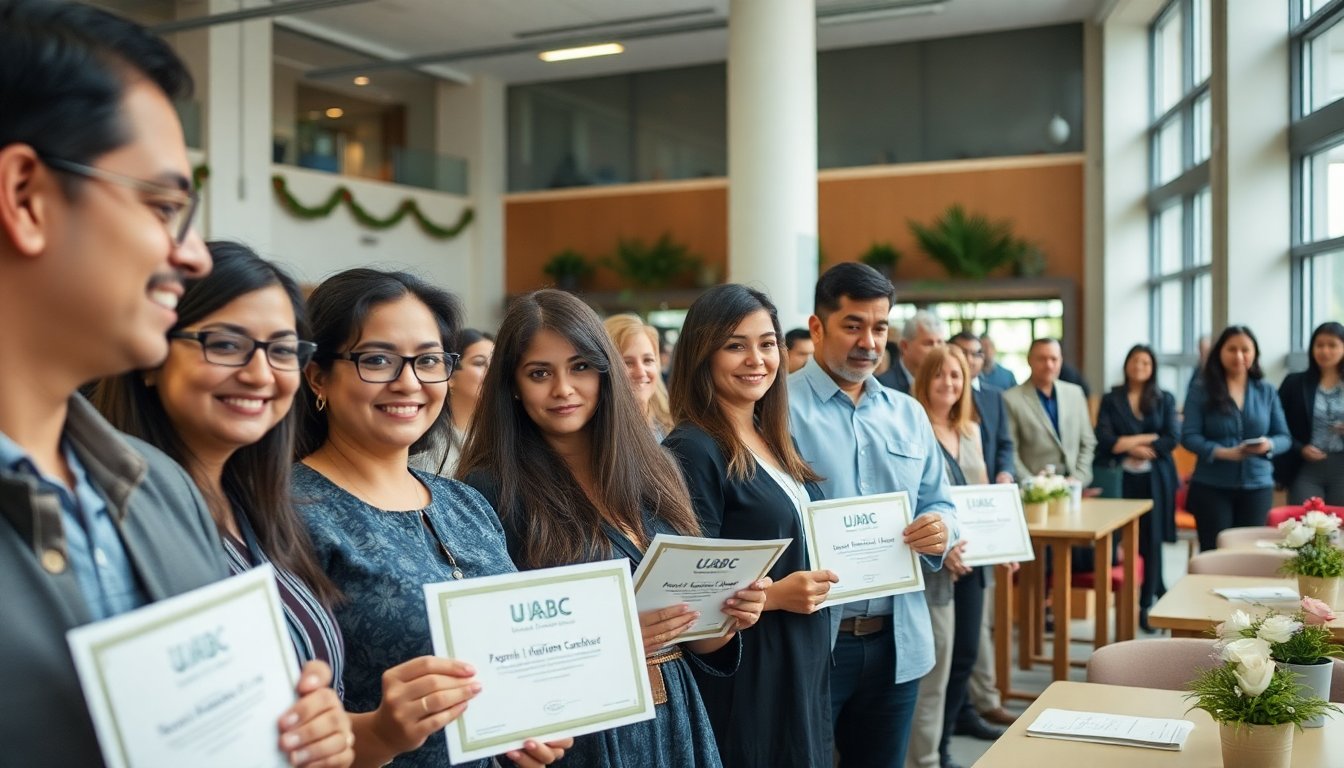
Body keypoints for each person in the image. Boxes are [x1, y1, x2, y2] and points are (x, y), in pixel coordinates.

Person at [0, 3, 340, 763]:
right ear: (25, 196)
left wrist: (286, 734)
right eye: (162, 207)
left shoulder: (159, 487)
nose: (191, 256)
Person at [458, 289, 767, 768]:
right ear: (513, 385)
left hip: (675, 716)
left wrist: (727, 614)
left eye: (581, 367)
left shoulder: (655, 468)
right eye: (540, 373)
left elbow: (699, 641)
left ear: (605, 373)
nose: (563, 389)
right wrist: (609, 639)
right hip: (580, 732)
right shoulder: (491, 489)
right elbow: (496, 648)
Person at [293, 269, 570, 768]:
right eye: (377, 360)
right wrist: (380, 732)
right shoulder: (289, 513)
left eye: (427, 361)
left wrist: (529, 725)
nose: (408, 383)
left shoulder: (465, 503)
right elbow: (282, 726)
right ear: (318, 377)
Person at [93, 242, 354, 766]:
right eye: (227, 345)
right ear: (150, 354)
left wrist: (344, 732)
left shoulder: (263, 512)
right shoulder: (104, 520)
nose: (260, 374)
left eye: (282, 350)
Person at [789, 263, 957, 768]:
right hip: (812, 641)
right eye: (853, 325)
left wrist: (941, 529)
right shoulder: (776, 409)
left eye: (880, 328)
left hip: (897, 643)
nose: (869, 342)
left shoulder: (908, 413)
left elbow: (941, 500)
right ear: (818, 327)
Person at [663, 284, 836, 768]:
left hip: (801, 657)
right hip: (750, 669)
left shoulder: (771, 436)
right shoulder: (693, 449)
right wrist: (778, 595)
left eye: (766, 344)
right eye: (735, 345)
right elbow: (688, 590)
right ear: (703, 353)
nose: (756, 360)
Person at [909, 345, 989, 768]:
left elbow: (987, 495)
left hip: (974, 559)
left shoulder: (972, 430)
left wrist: (1004, 544)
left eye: (956, 375)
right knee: (935, 663)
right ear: (924, 381)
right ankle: (928, 753)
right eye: (939, 375)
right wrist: (946, 545)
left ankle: (943, 745)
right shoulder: (911, 426)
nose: (948, 383)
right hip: (935, 563)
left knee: (964, 656)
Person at [945, 331, 1018, 734]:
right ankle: (952, 724)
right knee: (951, 642)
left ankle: (972, 707)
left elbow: (1003, 449)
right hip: (945, 540)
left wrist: (1005, 474)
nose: (970, 360)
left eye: (976, 355)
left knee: (974, 634)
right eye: (962, 355)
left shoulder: (990, 401)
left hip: (982, 527)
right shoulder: (918, 416)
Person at [1181, 325, 1292, 551]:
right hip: (1211, 485)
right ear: (1220, 352)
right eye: (1232, 349)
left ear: (1255, 353)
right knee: (1215, 552)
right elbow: (1189, 436)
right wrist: (1221, 452)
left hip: (1258, 485)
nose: (1239, 356)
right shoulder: (1201, 390)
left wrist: (1268, 444)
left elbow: (1284, 437)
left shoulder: (1266, 390)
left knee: (1249, 553)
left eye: (1245, 350)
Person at [1093, 345, 1179, 632]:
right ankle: (1151, 589)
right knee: (1121, 538)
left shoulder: (1164, 398)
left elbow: (1171, 437)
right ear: (1126, 364)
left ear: (1152, 367)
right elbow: (1105, 439)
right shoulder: (1111, 398)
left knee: (1151, 540)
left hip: (1155, 480)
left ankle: (1146, 605)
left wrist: (1126, 442)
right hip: (1122, 478)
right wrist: (1141, 441)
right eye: (1135, 361)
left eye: (1145, 362)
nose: (1139, 366)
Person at [1001, 338, 1096, 487]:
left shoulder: (1075, 393)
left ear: (1061, 361)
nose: (1049, 365)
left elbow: (1088, 442)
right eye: (1042, 359)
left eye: (1054, 359)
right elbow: (1010, 451)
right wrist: (1033, 484)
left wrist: (1078, 477)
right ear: (1029, 360)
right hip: (1034, 489)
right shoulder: (1011, 399)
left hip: (1074, 485)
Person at [1276, 321, 1344, 505]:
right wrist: (1300, 448)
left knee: (1340, 521)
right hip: (1305, 466)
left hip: (1341, 465)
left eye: (1332, 345)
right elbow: (1277, 424)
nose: (1325, 351)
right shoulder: (1294, 383)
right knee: (1305, 519)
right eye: (1319, 345)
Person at [416, 327, 492, 477]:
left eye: (496, 365)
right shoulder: (425, 448)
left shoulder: (505, 437)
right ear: (449, 375)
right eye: (480, 363)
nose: (492, 372)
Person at [605, 314, 674, 440]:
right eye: (627, 363)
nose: (641, 372)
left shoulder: (670, 423)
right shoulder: (604, 436)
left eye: (648, 360)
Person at [877, 310, 946, 393]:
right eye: (928, 344)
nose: (936, 349)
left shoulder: (947, 383)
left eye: (940, 342)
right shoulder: (883, 387)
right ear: (904, 346)